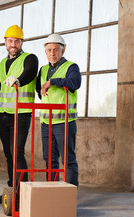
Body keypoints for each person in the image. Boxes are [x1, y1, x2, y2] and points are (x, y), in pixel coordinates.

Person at [0, 25, 38, 204]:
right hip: (4, 115)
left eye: (17, 41)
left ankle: (23, 195)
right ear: (5, 42)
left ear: (21, 42)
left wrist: (19, 80)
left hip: (21, 114)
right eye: (10, 41)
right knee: (9, 154)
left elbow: (30, 73)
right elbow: (0, 88)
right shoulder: (2, 63)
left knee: (17, 152)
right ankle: (13, 192)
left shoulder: (29, 58)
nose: (13, 44)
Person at [36, 33, 81, 186]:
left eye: (56, 49)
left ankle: (69, 195)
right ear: (45, 52)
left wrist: (52, 82)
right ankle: (53, 191)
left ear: (63, 51)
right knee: (49, 159)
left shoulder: (71, 67)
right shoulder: (42, 70)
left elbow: (75, 82)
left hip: (64, 122)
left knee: (68, 160)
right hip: (46, 123)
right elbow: (38, 89)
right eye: (49, 50)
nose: (52, 53)